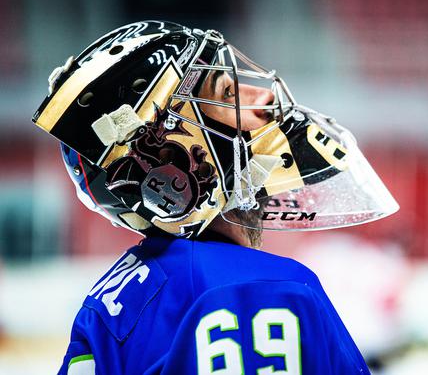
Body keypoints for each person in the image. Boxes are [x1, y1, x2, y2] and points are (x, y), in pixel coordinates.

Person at [32, 20, 399, 374]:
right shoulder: (261, 291)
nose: (264, 96)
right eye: (227, 93)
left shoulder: (109, 302)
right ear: (169, 162)